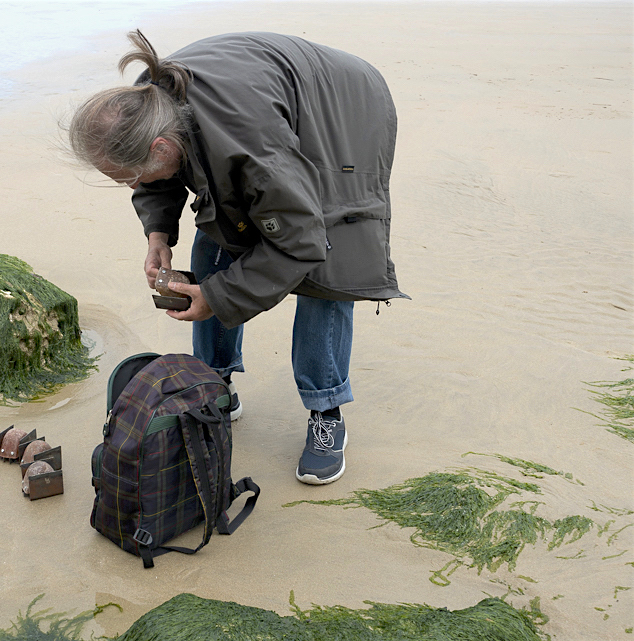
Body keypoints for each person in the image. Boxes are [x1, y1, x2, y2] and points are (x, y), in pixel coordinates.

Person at [67, 31, 407, 484]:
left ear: (161, 148)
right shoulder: (145, 104)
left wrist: (219, 297)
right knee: (218, 235)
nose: (129, 186)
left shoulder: (250, 144)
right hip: (263, 105)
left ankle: (327, 412)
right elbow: (158, 175)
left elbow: (300, 242)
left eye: (126, 177)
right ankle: (215, 385)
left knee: (325, 266)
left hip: (344, 110)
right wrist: (158, 232)